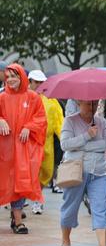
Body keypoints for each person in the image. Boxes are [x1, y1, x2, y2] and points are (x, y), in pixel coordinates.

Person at [59, 100, 106, 246]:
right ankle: (65, 241)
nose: (91, 108)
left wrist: (83, 146)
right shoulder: (70, 121)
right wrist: (87, 136)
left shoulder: (102, 122)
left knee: (101, 208)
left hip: (99, 172)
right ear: (79, 104)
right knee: (70, 207)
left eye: (94, 104)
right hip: (75, 172)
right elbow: (65, 144)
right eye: (87, 104)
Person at [0, 63, 47, 234]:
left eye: (14, 76)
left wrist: (29, 126)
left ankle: (18, 221)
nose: (11, 80)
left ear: (22, 77)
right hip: (4, 150)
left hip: (23, 150)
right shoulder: (2, 97)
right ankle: (15, 218)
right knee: (5, 182)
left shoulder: (33, 97)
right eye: (8, 77)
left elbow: (41, 118)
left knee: (20, 183)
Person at [27, 69, 64, 215]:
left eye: (41, 82)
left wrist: (65, 141)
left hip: (46, 142)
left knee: (46, 172)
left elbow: (58, 122)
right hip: (28, 142)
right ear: (29, 82)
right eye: (36, 82)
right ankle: (32, 199)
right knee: (30, 172)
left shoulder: (52, 101)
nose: (39, 85)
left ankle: (37, 196)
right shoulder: (24, 98)